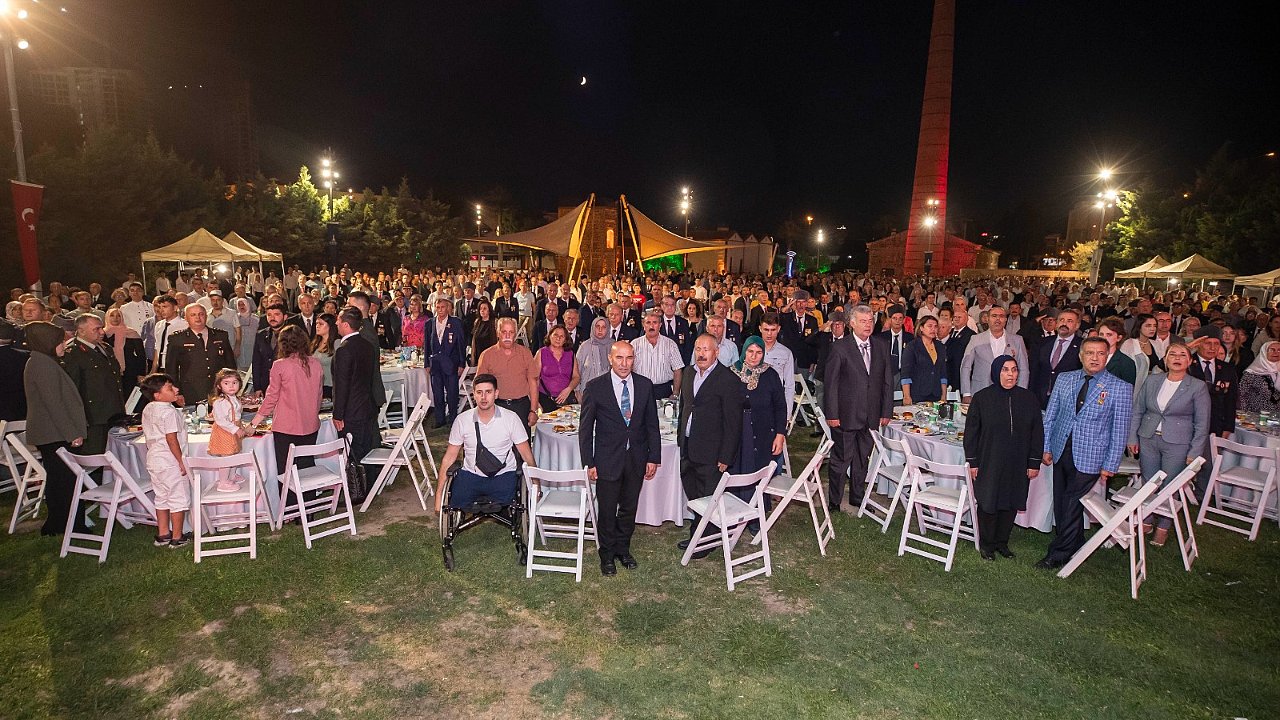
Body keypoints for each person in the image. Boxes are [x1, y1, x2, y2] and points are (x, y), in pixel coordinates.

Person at [1037, 337, 1133, 570]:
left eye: (1100, 353)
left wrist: (1110, 464)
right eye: (1090, 353)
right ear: (1081, 356)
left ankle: (1059, 553)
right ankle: (1076, 540)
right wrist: (1046, 447)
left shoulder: (1120, 388)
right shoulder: (1065, 379)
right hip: (1061, 450)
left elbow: (1120, 430)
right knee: (1062, 502)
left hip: (1092, 456)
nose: (1094, 358)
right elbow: (1050, 416)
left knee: (1071, 502)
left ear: (1107, 356)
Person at [580, 341, 662, 575]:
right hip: (607, 460)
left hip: (636, 458)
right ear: (610, 358)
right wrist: (589, 462)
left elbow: (652, 425)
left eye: (629, 358)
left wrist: (653, 457)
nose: (624, 364)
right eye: (619, 358)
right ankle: (606, 554)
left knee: (628, 508)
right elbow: (585, 429)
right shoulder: (595, 387)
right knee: (607, 510)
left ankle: (623, 549)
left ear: (634, 359)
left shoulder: (645, 385)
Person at [1126, 342, 1210, 547]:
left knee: (1170, 485)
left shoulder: (1197, 386)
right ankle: (1146, 520)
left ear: (1189, 361)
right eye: (1172, 354)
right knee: (1149, 482)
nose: (1177, 358)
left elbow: (1202, 422)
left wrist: (1195, 451)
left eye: (1182, 355)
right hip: (1148, 438)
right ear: (1165, 359)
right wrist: (1132, 438)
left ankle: (1164, 525)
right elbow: (1138, 410)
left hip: (1178, 443)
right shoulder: (1152, 380)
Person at [964, 355, 1044, 560]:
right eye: (1005, 370)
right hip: (989, 460)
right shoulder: (982, 398)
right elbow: (971, 433)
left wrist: (1034, 461)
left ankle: (1002, 542)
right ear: (996, 372)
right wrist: (973, 462)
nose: (1010, 374)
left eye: (1014, 370)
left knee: (1011, 501)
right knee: (989, 501)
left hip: (1018, 462)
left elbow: (1037, 432)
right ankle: (987, 544)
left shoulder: (1029, 399)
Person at [676, 334, 744, 558]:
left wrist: (726, 456)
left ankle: (703, 542)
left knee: (708, 496)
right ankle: (702, 532)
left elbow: (733, 422)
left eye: (706, 349)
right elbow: (685, 406)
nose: (701, 354)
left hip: (712, 451)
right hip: (688, 446)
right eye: (698, 349)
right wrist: (680, 438)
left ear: (716, 352)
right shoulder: (688, 373)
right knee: (694, 493)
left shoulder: (728, 379)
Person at [822, 306, 893, 510]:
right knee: (841, 459)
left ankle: (857, 496)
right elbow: (831, 384)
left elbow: (887, 381)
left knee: (863, 458)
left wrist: (886, 411)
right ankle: (835, 501)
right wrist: (832, 414)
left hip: (871, 415)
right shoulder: (840, 348)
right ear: (852, 323)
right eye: (863, 321)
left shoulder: (881, 346)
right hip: (845, 415)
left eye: (870, 321)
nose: (868, 325)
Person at [435, 373, 537, 513]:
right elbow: (449, 457)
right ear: (474, 394)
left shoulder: (511, 418)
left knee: (509, 503)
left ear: (496, 394)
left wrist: (536, 484)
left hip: (503, 475)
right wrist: (439, 495)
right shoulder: (462, 420)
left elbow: (526, 454)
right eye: (479, 392)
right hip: (471, 475)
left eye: (488, 392)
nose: (483, 397)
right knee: (457, 499)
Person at [22, 321, 87, 536]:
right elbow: (54, 404)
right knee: (65, 480)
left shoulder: (43, 361)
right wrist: (72, 433)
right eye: (60, 341)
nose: (64, 345)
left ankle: (59, 524)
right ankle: (70, 525)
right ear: (48, 342)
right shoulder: (42, 364)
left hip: (53, 432)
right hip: (55, 433)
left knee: (60, 479)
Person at [249, 325, 323, 510]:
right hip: (310, 424)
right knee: (307, 466)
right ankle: (308, 506)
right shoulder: (315, 363)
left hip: (286, 427)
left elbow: (271, 397)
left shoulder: (280, 365)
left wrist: (254, 423)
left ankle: (290, 509)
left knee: (286, 470)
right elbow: (319, 395)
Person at [138, 373, 191, 548]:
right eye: (170, 388)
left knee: (161, 496)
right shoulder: (168, 412)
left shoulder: (148, 408)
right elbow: (171, 438)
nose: (176, 389)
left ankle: (163, 533)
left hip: (154, 459)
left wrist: (177, 405)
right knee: (178, 496)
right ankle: (177, 536)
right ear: (158, 395)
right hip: (170, 461)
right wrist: (180, 460)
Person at [62, 314, 125, 455]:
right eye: (96, 329)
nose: (102, 332)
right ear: (81, 331)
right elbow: (73, 389)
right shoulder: (73, 352)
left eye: (102, 328)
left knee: (116, 455)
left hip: (113, 412)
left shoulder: (105, 348)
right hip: (93, 417)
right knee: (95, 456)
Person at [731, 336, 786, 479]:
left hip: (763, 432)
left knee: (761, 471)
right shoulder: (731, 373)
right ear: (744, 351)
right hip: (737, 432)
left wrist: (780, 435)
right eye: (750, 351)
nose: (754, 356)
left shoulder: (770, 375)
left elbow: (780, 407)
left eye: (759, 352)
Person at [164, 303, 238, 404]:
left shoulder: (220, 336)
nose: (198, 318)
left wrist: (231, 388)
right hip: (191, 390)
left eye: (201, 314)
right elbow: (171, 369)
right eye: (193, 315)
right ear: (185, 318)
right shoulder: (177, 339)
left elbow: (230, 364)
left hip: (218, 389)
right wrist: (176, 393)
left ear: (206, 316)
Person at [333, 308, 378, 466]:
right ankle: (369, 481)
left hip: (352, 412)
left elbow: (342, 385)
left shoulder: (344, 350)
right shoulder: (367, 345)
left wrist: (338, 414)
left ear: (346, 324)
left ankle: (357, 483)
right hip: (366, 407)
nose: (336, 323)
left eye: (338, 320)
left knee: (353, 456)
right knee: (366, 453)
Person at [477, 318, 540, 428]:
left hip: (521, 407)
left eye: (511, 332)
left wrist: (533, 410)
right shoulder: (487, 355)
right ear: (498, 333)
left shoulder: (525, 353)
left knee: (521, 439)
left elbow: (533, 383)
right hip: (497, 407)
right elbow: (480, 386)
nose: (507, 336)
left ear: (515, 334)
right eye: (504, 332)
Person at [959, 306, 1028, 402]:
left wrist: (1021, 393)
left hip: (1009, 393)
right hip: (980, 390)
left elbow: (1024, 369)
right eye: (994, 316)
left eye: (1001, 316)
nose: (998, 319)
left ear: (1006, 319)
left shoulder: (1017, 340)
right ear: (987, 319)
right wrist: (966, 393)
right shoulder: (975, 339)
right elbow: (966, 367)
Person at [423, 297, 467, 427]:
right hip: (435, 364)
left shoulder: (456, 322)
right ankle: (440, 419)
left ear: (447, 308)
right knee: (437, 394)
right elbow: (427, 345)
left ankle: (453, 419)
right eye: (438, 307)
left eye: (443, 307)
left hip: (451, 364)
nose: (440, 310)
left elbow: (461, 344)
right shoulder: (429, 323)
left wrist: (461, 363)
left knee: (452, 394)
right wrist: (427, 363)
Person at [1030, 308, 1082, 408]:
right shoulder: (1042, 343)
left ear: (1077, 325)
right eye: (1061, 320)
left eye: (1069, 321)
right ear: (1057, 323)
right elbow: (1034, 371)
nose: (1064, 324)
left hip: (1067, 402)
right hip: (1040, 400)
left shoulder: (1082, 346)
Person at [206, 368, 248, 491]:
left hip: (234, 430)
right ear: (219, 386)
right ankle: (223, 482)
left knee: (235, 453)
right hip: (225, 432)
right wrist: (235, 429)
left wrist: (240, 426)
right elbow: (221, 421)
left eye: (234, 382)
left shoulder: (235, 399)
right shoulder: (220, 402)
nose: (231, 386)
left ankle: (232, 475)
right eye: (226, 383)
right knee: (226, 457)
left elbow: (237, 415)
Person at [631, 310, 684, 399]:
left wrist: (675, 393)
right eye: (648, 322)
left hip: (663, 390)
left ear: (660, 325)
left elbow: (678, 370)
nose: (651, 326)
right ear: (643, 325)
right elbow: (629, 368)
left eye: (655, 323)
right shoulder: (634, 344)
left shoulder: (670, 344)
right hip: (640, 389)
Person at [899, 314, 947, 405]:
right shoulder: (912, 346)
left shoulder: (940, 346)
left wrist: (944, 395)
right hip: (917, 394)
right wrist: (906, 396)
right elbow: (905, 374)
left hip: (936, 394)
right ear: (921, 328)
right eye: (930, 326)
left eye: (935, 326)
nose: (933, 329)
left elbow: (943, 373)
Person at [102, 307, 147, 399]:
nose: (115, 318)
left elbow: (141, 355)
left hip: (130, 370)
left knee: (129, 396)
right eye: (112, 315)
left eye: (118, 315)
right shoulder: (102, 334)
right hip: (109, 371)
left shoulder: (131, 333)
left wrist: (141, 373)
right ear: (107, 317)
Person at [536, 326, 580, 412]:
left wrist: (569, 389)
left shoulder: (570, 354)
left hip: (567, 399)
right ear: (549, 336)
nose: (558, 338)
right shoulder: (541, 352)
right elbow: (534, 378)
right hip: (546, 399)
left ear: (565, 340)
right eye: (555, 335)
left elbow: (576, 377)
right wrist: (535, 402)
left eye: (561, 336)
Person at [251, 303, 290, 394]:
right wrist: (257, 387)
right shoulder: (261, 334)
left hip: (286, 383)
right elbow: (256, 362)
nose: (272, 318)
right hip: (266, 383)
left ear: (285, 317)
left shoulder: (292, 334)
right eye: (269, 315)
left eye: (276, 314)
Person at [1239, 340, 1280, 414]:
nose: (1276, 352)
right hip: (1256, 415)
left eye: (1279, 350)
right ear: (1264, 352)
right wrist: (1244, 414)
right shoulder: (1252, 372)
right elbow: (1242, 394)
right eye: (1272, 350)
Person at [311, 313, 338, 398]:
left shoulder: (336, 343)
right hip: (315, 385)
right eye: (316, 323)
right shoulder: (315, 343)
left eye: (321, 324)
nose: (317, 326)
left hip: (329, 386)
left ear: (330, 326)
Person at [234, 298, 257, 370]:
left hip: (253, 349)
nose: (241, 306)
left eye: (243, 304)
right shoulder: (234, 318)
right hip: (239, 350)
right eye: (239, 305)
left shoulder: (256, 319)